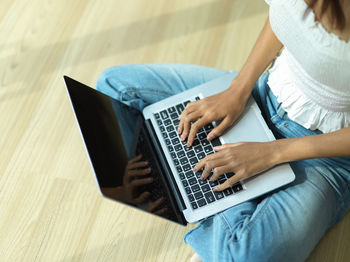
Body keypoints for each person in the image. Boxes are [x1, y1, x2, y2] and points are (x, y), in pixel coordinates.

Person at [96, 0, 350, 261]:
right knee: (114, 86)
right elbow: (285, 18)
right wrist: (238, 89)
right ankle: (202, 191)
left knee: (248, 255)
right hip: (261, 94)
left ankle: (199, 191)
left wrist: (271, 153)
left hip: (324, 153)